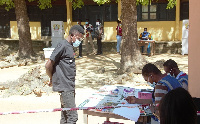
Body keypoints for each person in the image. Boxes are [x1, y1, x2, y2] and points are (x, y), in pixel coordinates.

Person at [45, 25, 84, 124]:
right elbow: (48, 64)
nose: (79, 41)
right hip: (65, 87)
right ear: (72, 35)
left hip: (69, 86)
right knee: (72, 116)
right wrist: (51, 78)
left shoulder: (70, 47)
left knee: (65, 116)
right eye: (79, 38)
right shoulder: (63, 45)